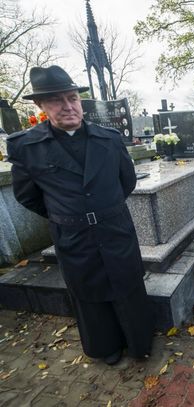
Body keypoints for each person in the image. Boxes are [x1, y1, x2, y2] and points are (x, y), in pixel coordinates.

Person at [7, 65, 154, 365]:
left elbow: (126, 181)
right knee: (88, 293)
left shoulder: (109, 139)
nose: (68, 106)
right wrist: (66, 213)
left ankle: (139, 342)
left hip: (115, 229)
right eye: (56, 100)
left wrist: (103, 208)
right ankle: (105, 346)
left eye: (72, 98)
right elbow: (27, 195)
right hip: (73, 236)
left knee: (127, 285)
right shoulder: (27, 147)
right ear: (40, 105)